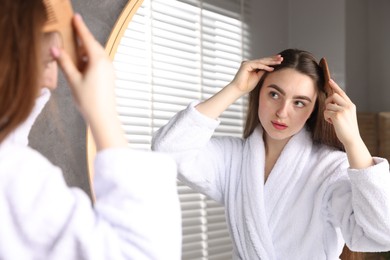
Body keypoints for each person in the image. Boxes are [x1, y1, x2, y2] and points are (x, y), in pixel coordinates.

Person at [152, 48, 390, 259]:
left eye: (299, 103)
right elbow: (167, 150)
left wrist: (352, 139)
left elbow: (381, 232)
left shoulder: (329, 168)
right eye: (274, 94)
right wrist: (235, 89)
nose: (282, 112)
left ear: (313, 110)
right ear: (258, 93)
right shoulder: (234, 159)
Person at [0, 1, 181, 259]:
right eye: (46, 61)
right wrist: (102, 111)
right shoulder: (13, 175)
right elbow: (143, 253)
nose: (52, 83)